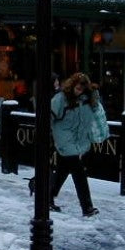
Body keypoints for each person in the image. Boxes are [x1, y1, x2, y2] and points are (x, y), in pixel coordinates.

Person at [49, 72, 109, 217]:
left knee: (63, 169)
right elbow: (49, 115)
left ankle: (47, 197)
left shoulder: (88, 100)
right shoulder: (61, 99)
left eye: (82, 89)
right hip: (64, 138)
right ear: (72, 86)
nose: (79, 92)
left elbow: (94, 117)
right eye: (77, 88)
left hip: (77, 140)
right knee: (79, 172)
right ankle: (87, 207)